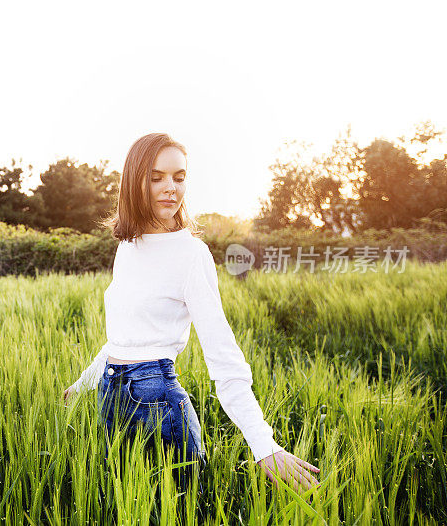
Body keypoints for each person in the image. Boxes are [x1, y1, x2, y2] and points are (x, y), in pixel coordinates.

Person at [62, 132, 320, 494]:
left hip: (158, 403)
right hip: (110, 395)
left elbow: (222, 353)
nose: (171, 187)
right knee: (125, 507)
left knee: (179, 511)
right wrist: (85, 382)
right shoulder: (128, 247)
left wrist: (264, 445)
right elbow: (126, 336)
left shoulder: (191, 254)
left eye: (179, 177)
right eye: (157, 177)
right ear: (134, 181)